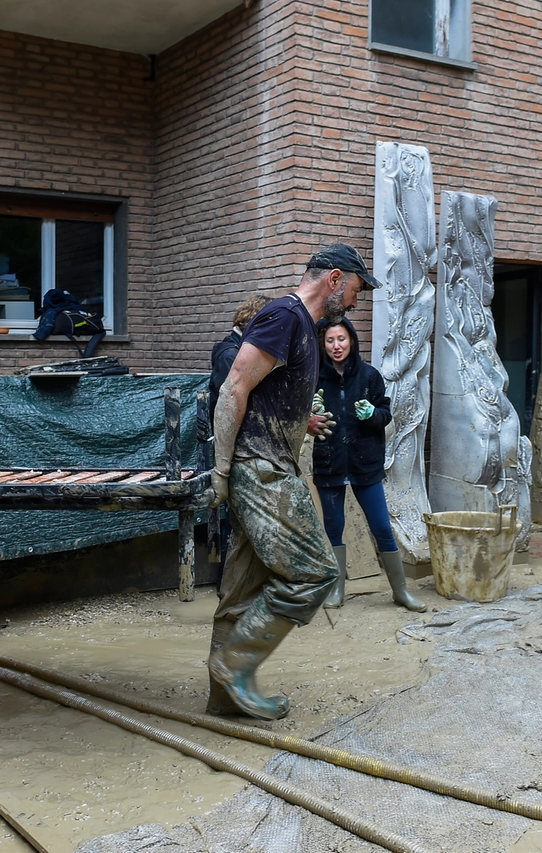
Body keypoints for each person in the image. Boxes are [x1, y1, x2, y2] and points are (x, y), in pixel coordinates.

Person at [208, 243, 373, 720]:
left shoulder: (303, 326)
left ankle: (224, 697)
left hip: (267, 465)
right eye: (357, 289)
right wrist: (222, 470)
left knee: (242, 586)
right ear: (336, 279)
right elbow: (233, 387)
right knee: (316, 571)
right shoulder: (285, 316)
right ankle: (233, 666)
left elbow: (266, 398)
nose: (357, 303)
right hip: (261, 469)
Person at [312, 316, 426, 612]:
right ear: (323, 345)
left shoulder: (368, 376)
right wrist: (309, 417)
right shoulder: (315, 378)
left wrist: (372, 414)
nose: (337, 346)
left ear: (352, 341)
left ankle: (400, 592)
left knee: (382, 528)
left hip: (365, 465)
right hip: (330, 465)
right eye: (330, 341)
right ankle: (337, 591)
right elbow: (301, 418)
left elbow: (386, 414)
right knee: (334, 529)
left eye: (342, 339)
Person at [208, 293, 271, 593]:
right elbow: (231, 406)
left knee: (240, 520)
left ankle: (237, 586)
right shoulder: (230, 355)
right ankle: (227, 588)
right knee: (234, 521)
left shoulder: (234, 350)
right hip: (233, 450)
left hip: (239, 449)